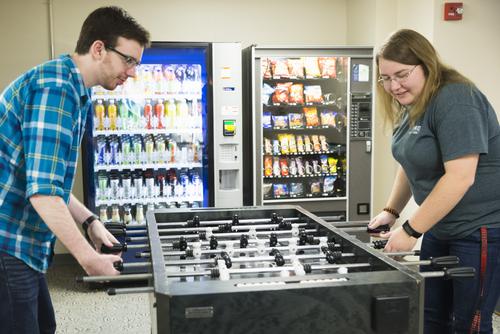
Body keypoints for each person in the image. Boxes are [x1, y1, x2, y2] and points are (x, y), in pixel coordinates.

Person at [0, 6, 150, 334]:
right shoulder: (56, 89)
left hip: (23, 239)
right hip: (7, 241)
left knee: (44, 326)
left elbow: (47, 178)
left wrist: (90, 222)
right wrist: (87, 258)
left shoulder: (73, 89)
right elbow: (43, 192)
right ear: (99, 49)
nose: (132, 72)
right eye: (129, 60)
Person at [368, 29, 500, 334]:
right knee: (430, 320)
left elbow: (460, 176)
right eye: (385, 78)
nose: (393, 86)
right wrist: (392, 210)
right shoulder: (415, 102)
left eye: (401, 74)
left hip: (478, 230)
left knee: (468, 325)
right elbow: (411, 160)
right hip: (440, 226)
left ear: (425, 64)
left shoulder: (456, 99)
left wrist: (412, 229)